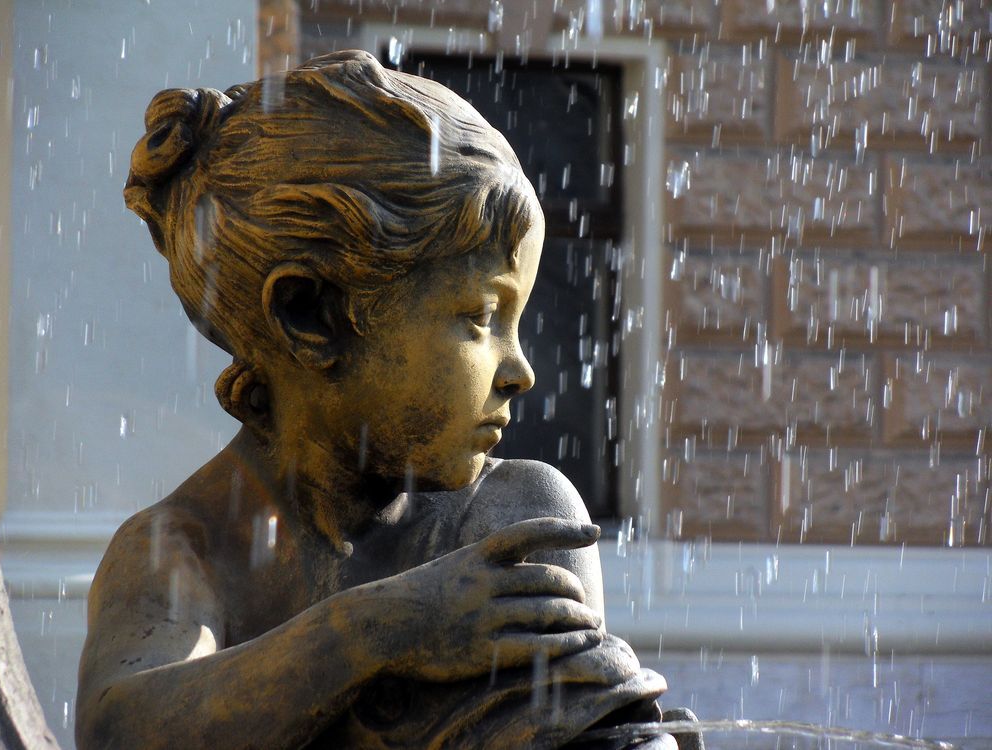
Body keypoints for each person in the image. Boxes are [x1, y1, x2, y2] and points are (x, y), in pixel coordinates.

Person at [76, 50, 695, 749]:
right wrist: (379, 628)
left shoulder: (512, 516)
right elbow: (118, 729)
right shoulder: (181, 551)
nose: (519, 370)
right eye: (482, 316)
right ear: (310, 315)